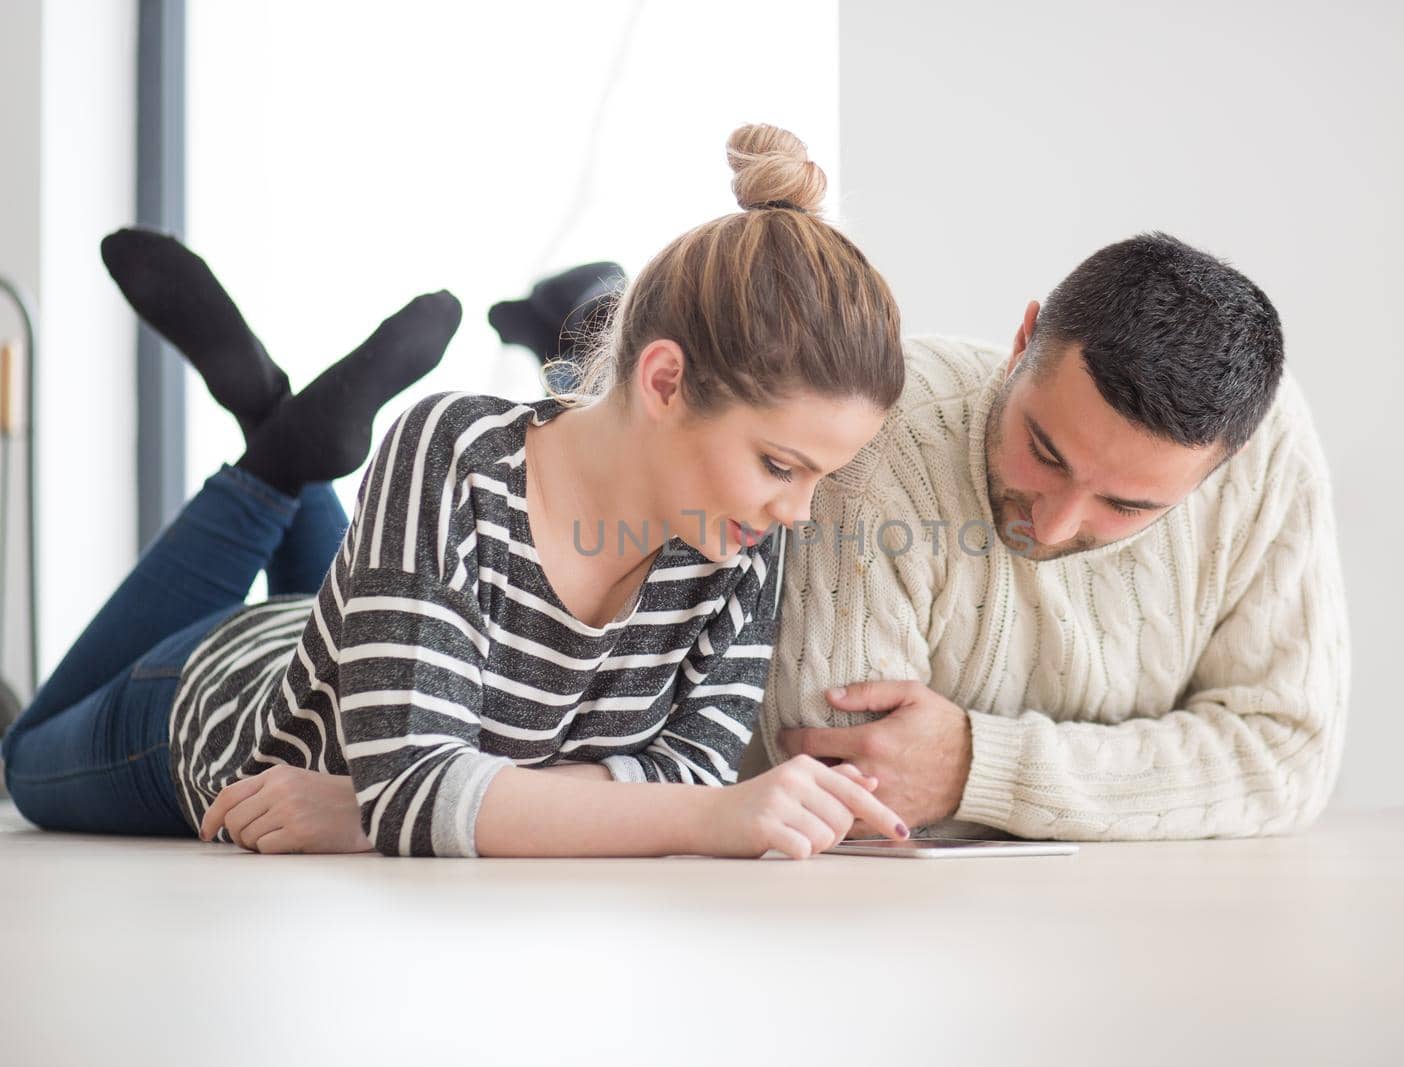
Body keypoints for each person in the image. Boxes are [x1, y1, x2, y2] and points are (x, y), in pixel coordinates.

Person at [0, 123, 912, 860]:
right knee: (24, 754)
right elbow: (428, 789)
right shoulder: (457, 451)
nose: (796, 509)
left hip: (373, 636)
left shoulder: (744, 535)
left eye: (817, 478)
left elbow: (687, 767)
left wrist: (397, 808)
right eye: (781, 466)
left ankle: (280, 424)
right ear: (664, 381)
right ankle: (274, 465)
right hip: (227, 705)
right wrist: (409, 803)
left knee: (366, 608)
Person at [748, 232, 1351, 842]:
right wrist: (1151, 784)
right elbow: (849, 788)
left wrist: (977, 768)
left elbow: (1286, 755)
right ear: (1022, 342)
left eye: (1124, 504)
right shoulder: (877, 433)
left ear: (1228, 461)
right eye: (1045, 453)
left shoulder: (1268, 455)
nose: (1052, 525)